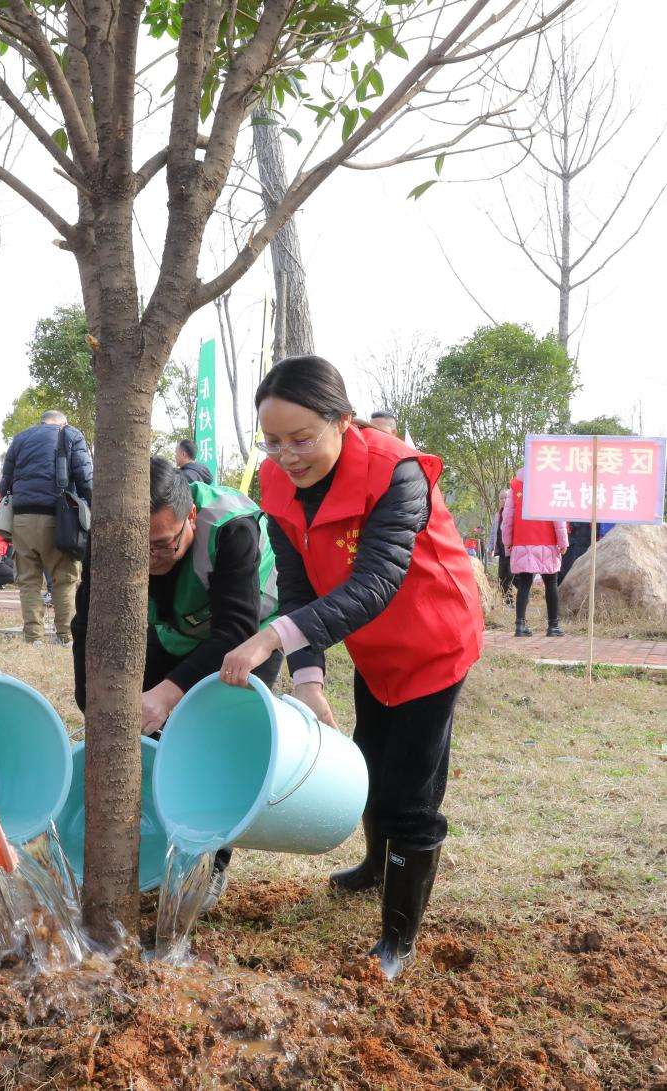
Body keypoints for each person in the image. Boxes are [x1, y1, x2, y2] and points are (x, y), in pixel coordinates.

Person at [219, 355, 483, 982]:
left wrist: (272, 641)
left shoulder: (398, 472)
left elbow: (378, 579)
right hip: (370, 643)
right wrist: (307, 679)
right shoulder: (275, 482)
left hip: (431, 640)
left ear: (343, 421)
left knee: (408, 793)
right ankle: (373, 866)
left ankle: (397, 942)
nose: (288, 454)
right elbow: (297, 585)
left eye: (302, 438)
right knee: (367, 755)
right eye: (274, 440)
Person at [72, 457, 281, 910]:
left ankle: (210, 865)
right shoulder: (108, 532)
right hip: (170, 627)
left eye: (163, 544)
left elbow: (233, 633)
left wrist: (167, 694)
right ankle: (152, 849)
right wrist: (93, 707)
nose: (151, 558)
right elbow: (87, 624)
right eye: (139, 549)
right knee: (149, 729)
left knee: (217, 740)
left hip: (249, 635)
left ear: (190, 517)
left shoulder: (232, 529)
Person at [0, 409, 92, 644]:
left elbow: (5, 482)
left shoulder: (20, 438)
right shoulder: (70, 434)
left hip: (22, 518)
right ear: (64, 421)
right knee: (65, 578)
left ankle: (34, 638)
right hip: (58, 518)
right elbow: (86, 478)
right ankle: (65, 636)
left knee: (28, 580)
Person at [502, 469, 567, 637]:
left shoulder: (515, 485)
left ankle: (520, 625)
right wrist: (563, 541)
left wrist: (507, 541)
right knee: (551, 583)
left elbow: (507, 516)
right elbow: (558, 517)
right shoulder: (552, 483)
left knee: (524, 583)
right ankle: (553, 626)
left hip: (522, 540)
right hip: (547, 541)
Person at [493, 488, 514, 602]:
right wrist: (490, 547)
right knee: (501, 576)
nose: (504, 500)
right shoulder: (497, 515)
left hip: (511, 550)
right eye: (501, 498)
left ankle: (511, 600)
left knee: (511, 576)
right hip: (501, 551)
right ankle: (506, 600)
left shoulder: (513, 513)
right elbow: (494, 532)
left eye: (506, 497)